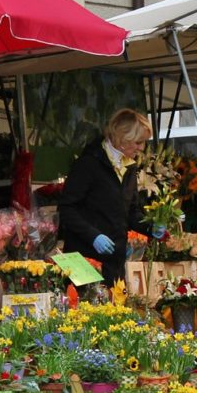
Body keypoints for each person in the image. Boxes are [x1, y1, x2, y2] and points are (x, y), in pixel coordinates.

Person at [59, 108, 163, 286]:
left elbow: (131, 212)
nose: (141, 148)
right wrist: (93, 236)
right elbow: (67, 208)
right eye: (138, 142)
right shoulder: (88, 163)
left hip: (114, 261)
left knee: (114, 307)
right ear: (123, 137)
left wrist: (151, 226)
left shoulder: (129, 168)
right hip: (83, 259)